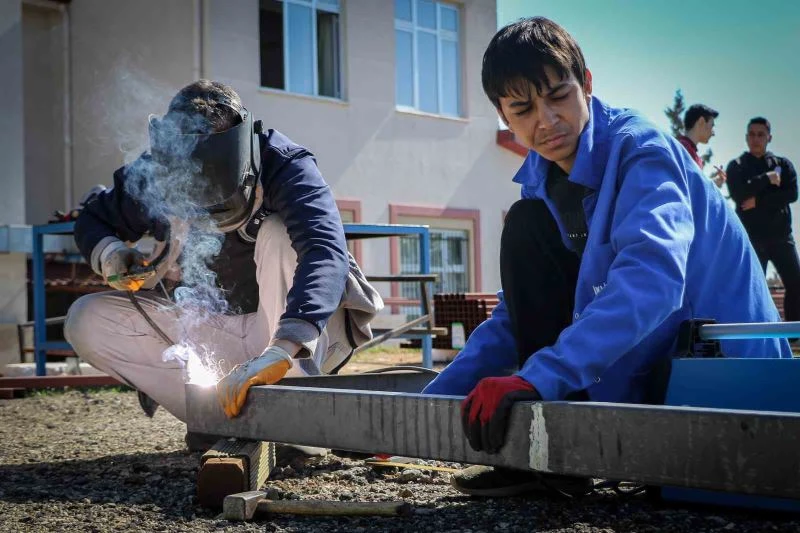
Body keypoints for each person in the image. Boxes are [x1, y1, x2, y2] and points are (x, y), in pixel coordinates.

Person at [422, 17, 790, 497]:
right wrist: (423, 410)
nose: (546, 121)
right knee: (525, 229)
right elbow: (521, 309)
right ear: (503, 115)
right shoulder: (543, 178)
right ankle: (549, 463)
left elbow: (653, 281)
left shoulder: (642, 153)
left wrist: (541, 376)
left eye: (558, 96)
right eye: (523, 108)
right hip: (650, 356)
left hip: (718, 373)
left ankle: (560, 450)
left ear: (587, 85)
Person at [64, 80, 382, 448]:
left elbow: (325, 250)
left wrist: (283, 347)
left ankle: (296, 420)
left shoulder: (284, 164)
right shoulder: (157, 170)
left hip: (290, 337)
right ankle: (214, 413)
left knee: (278, 233)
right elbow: (92, 219)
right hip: (214, 332)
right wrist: (112, 254)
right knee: (87, 319)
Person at [726, 117, 800, 324]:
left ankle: (793, 337)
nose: (756, 139)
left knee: (796, 284)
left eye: (761, 134)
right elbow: (739, 194)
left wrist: (758, 200)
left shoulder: (782, 165)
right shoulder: (737, 166)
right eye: (752, 134)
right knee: (751, 288)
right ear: (746, 137)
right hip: (752, 240)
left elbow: (792, 194)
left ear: (769, 137)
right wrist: (766, 179)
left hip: (781, 237)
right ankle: (754, 337)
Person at [677, 104, 726, 187]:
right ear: (701, 122)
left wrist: (712, 183)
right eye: (712, 126)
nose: (713, 133)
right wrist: (711, 184)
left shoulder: (686, 149)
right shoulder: (683, 149)